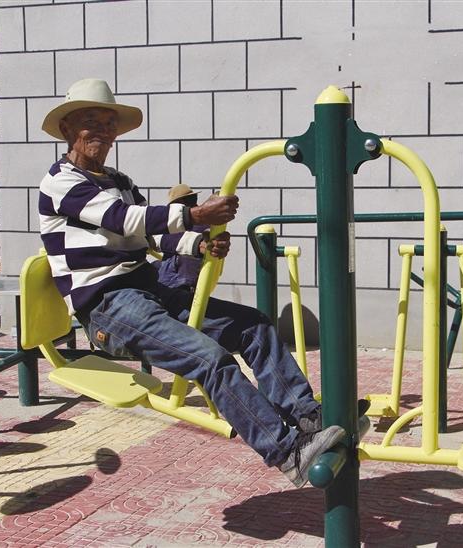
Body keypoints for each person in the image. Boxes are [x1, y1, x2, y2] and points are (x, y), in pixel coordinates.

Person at [38, 78, 344, 488]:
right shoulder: (60, 182)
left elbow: (149, 236)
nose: (102, 131)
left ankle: (306, 415)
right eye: (90, 121)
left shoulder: (119, 180)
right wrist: (195, 216)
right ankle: (288, 452)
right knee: (209, 358)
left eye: (109, 123)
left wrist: (197, 243)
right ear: (67, 129)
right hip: (108, 306)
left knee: (253, 325)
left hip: (146, 290)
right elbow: (122, 220)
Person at [153, 183, 206, 291]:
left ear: (179, 203)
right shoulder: (204, 220)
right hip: (187, 273)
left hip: (179, 278)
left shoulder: (186, 225)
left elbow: (164, 241)